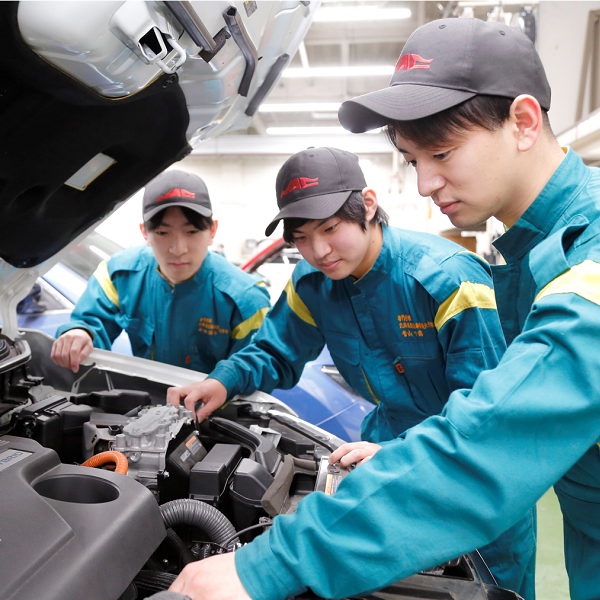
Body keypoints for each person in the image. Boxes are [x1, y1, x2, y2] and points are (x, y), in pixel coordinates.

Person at [168, 17, 600, 600]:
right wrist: (225, 379)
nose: (424, 184)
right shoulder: (536, 251)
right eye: (412, 159)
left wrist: (269, 567)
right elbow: (278, 345)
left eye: (442, 152)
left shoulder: (568, 255)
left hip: (465, 493)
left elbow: (494, 431)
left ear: (523, 122)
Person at [167, 146, 536, 596]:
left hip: (472, 472)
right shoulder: (313, 284)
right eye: (301, 236)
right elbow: (275, 351)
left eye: (330, 228)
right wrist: (222, 380)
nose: (318, 250)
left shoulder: (446, 277)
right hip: (380, 453)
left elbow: (485, 409)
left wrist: (404, 455)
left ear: (367, 204)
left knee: (484, 587)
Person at [51, 169, 271, 374]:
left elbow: (253, 372)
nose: (178, 249)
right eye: (163, 232)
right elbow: (91, 321)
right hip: (146, 407)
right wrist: (80, 333)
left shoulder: (245, 300)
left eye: (192, 231)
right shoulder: (119, 274)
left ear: (212, 231)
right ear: (144, 233)